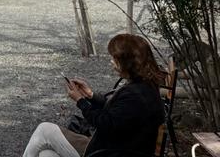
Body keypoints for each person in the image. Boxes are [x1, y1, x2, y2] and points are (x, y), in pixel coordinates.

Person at [21, 33, 164, 157]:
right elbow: (119, 115)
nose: (111, 62)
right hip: (112, 147)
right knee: (46, 154)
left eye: (114, 59)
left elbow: (104, 123)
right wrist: (91, 95)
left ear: (127, 63)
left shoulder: (136, 95)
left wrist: (80, 101)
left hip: (107, 152)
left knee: (45, 130)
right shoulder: (145, 87)